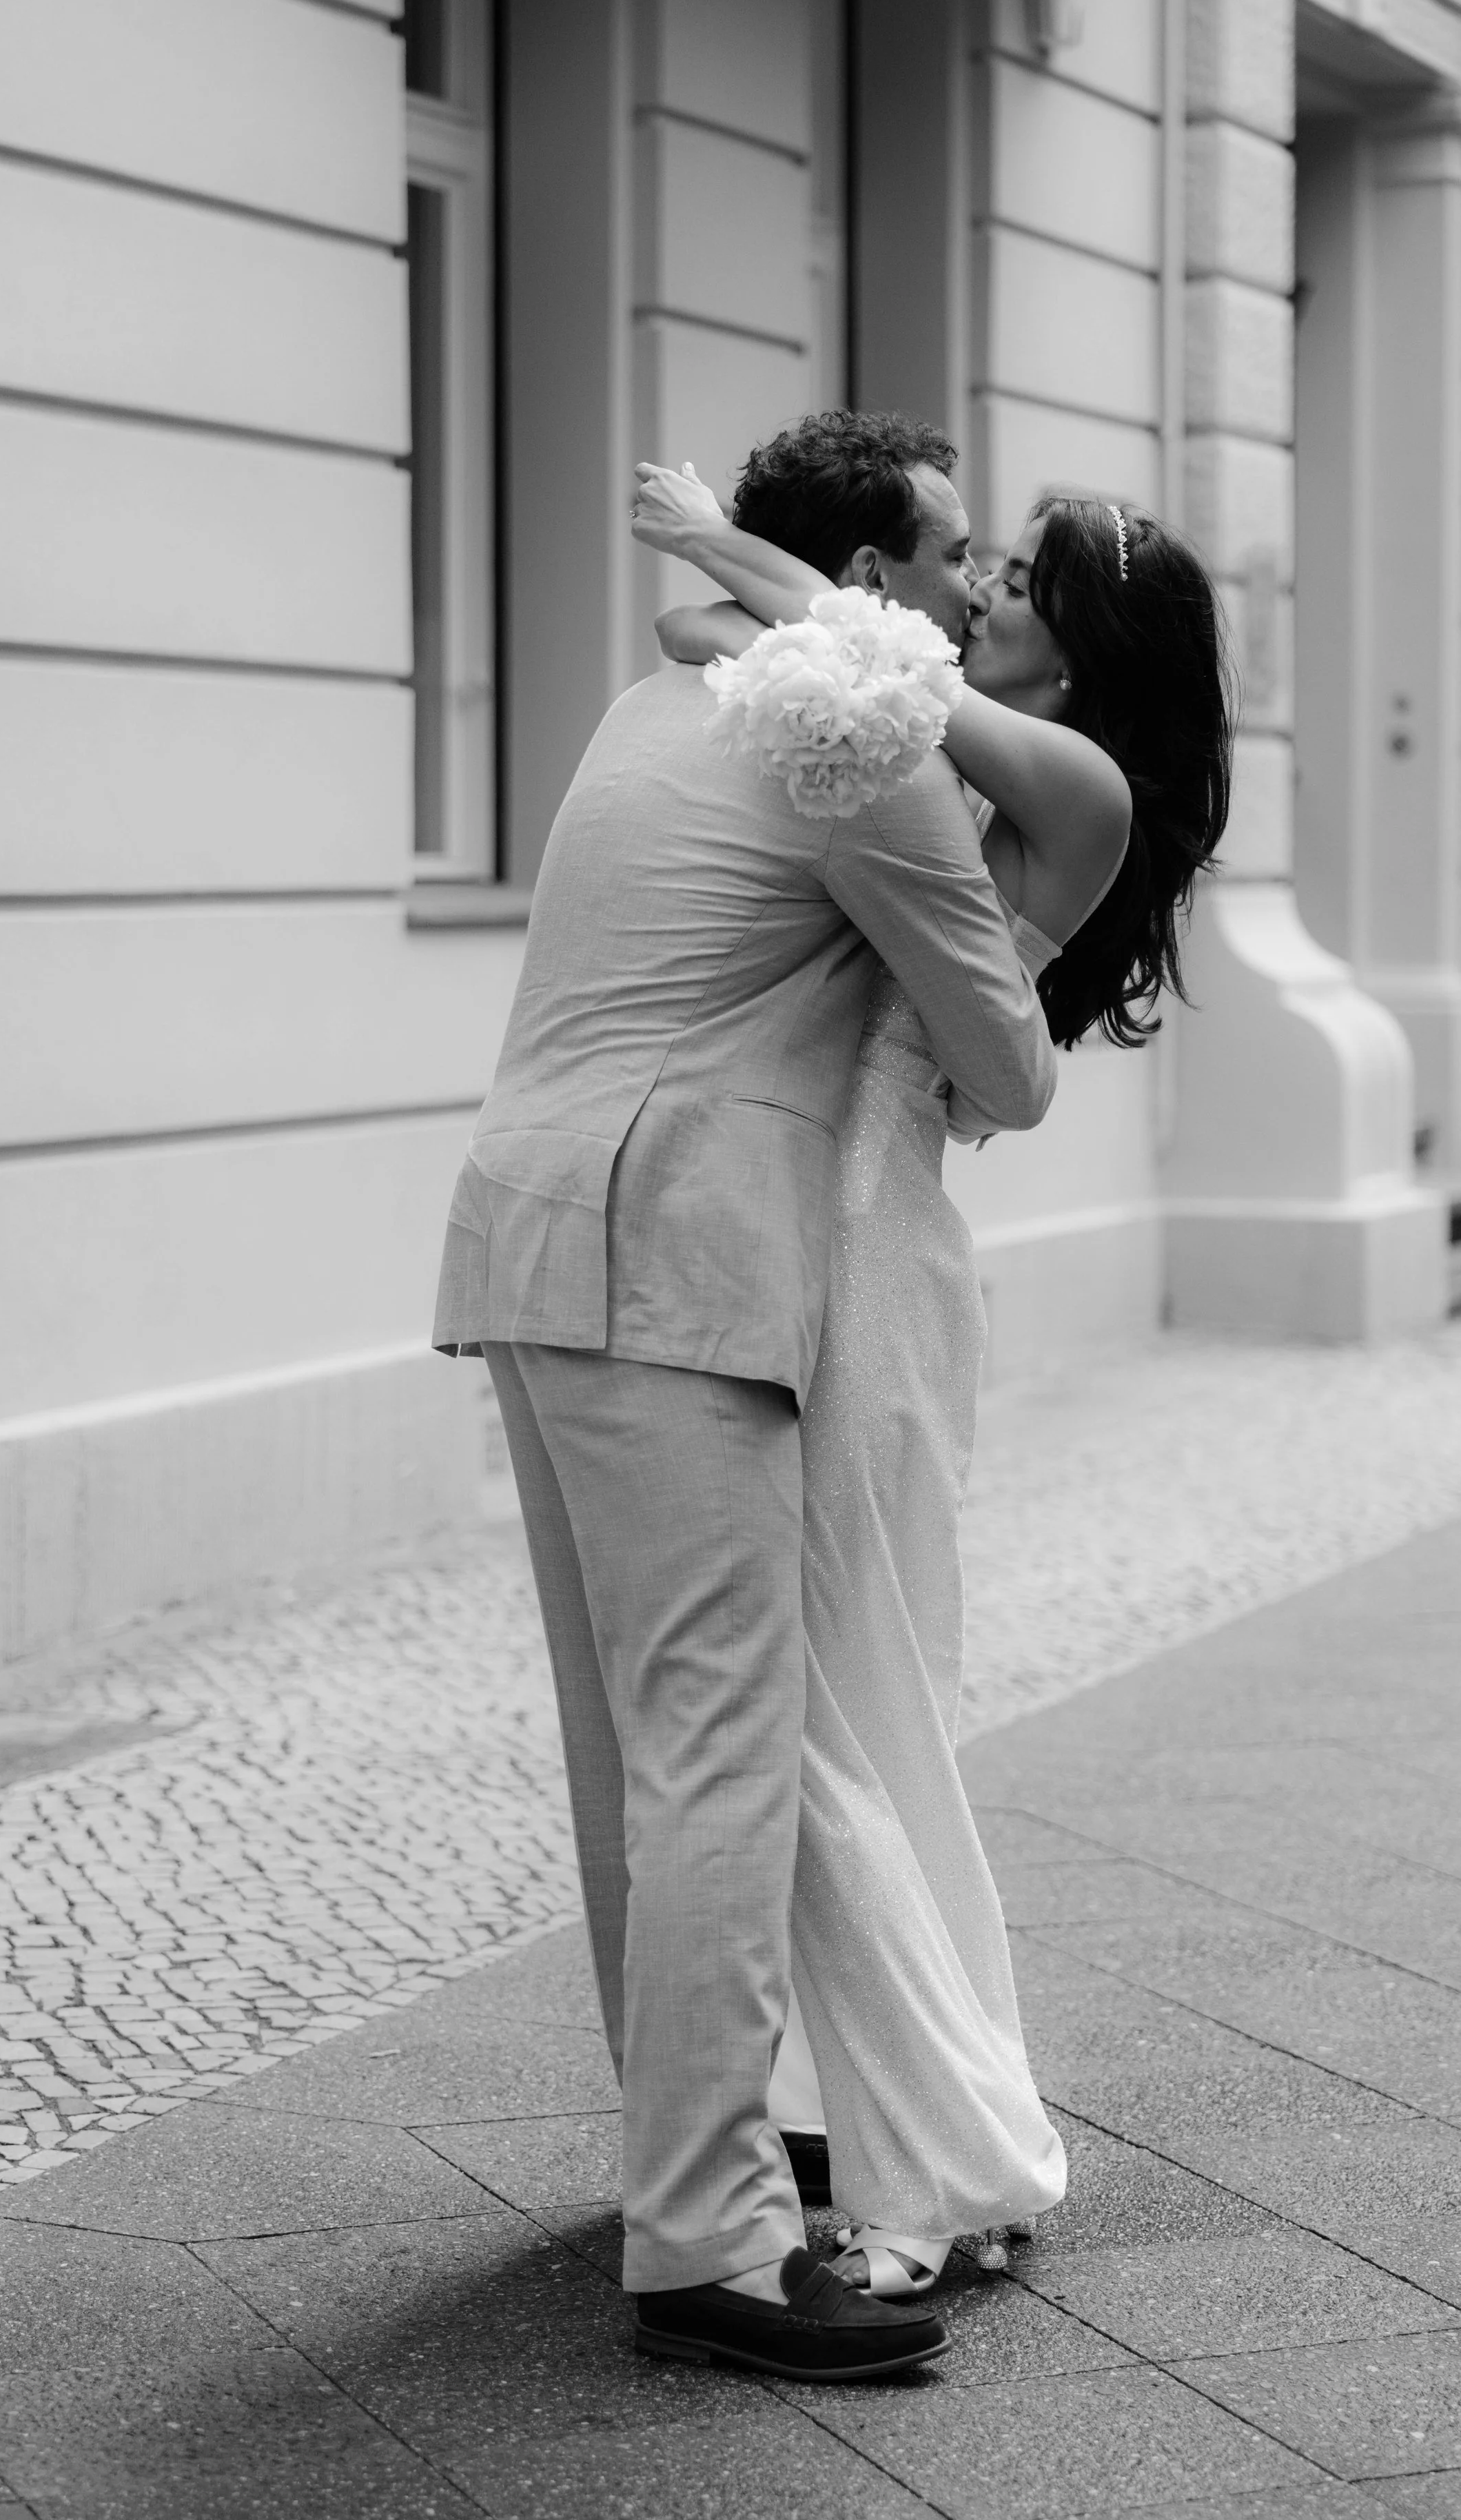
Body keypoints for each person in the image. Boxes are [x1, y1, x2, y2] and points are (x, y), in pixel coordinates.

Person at [432, 410, 1059, 2379]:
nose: (971, 587)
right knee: (720, 1744)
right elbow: (1006, 1059)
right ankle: (704, 2242)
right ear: (866, 583)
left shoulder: (649, 700)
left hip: (532, 1234)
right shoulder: (848, 737)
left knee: (637, 1746)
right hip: (677, 1261)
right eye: (948, 554)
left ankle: (679, 2168)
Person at [638, 424, 1234, 2297]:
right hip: (800, 1227)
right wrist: (730, 575)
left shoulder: (1071, 778)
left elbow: (793, 633)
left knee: (816, 1716)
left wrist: (731, 545)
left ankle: (934, 2162)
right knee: (849, 1716)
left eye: (1006, 578)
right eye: (963, 564)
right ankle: (921, 2120)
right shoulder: (920, 714)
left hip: (871, 1265)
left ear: (1072, 646)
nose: (965, 593)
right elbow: (693, 632)